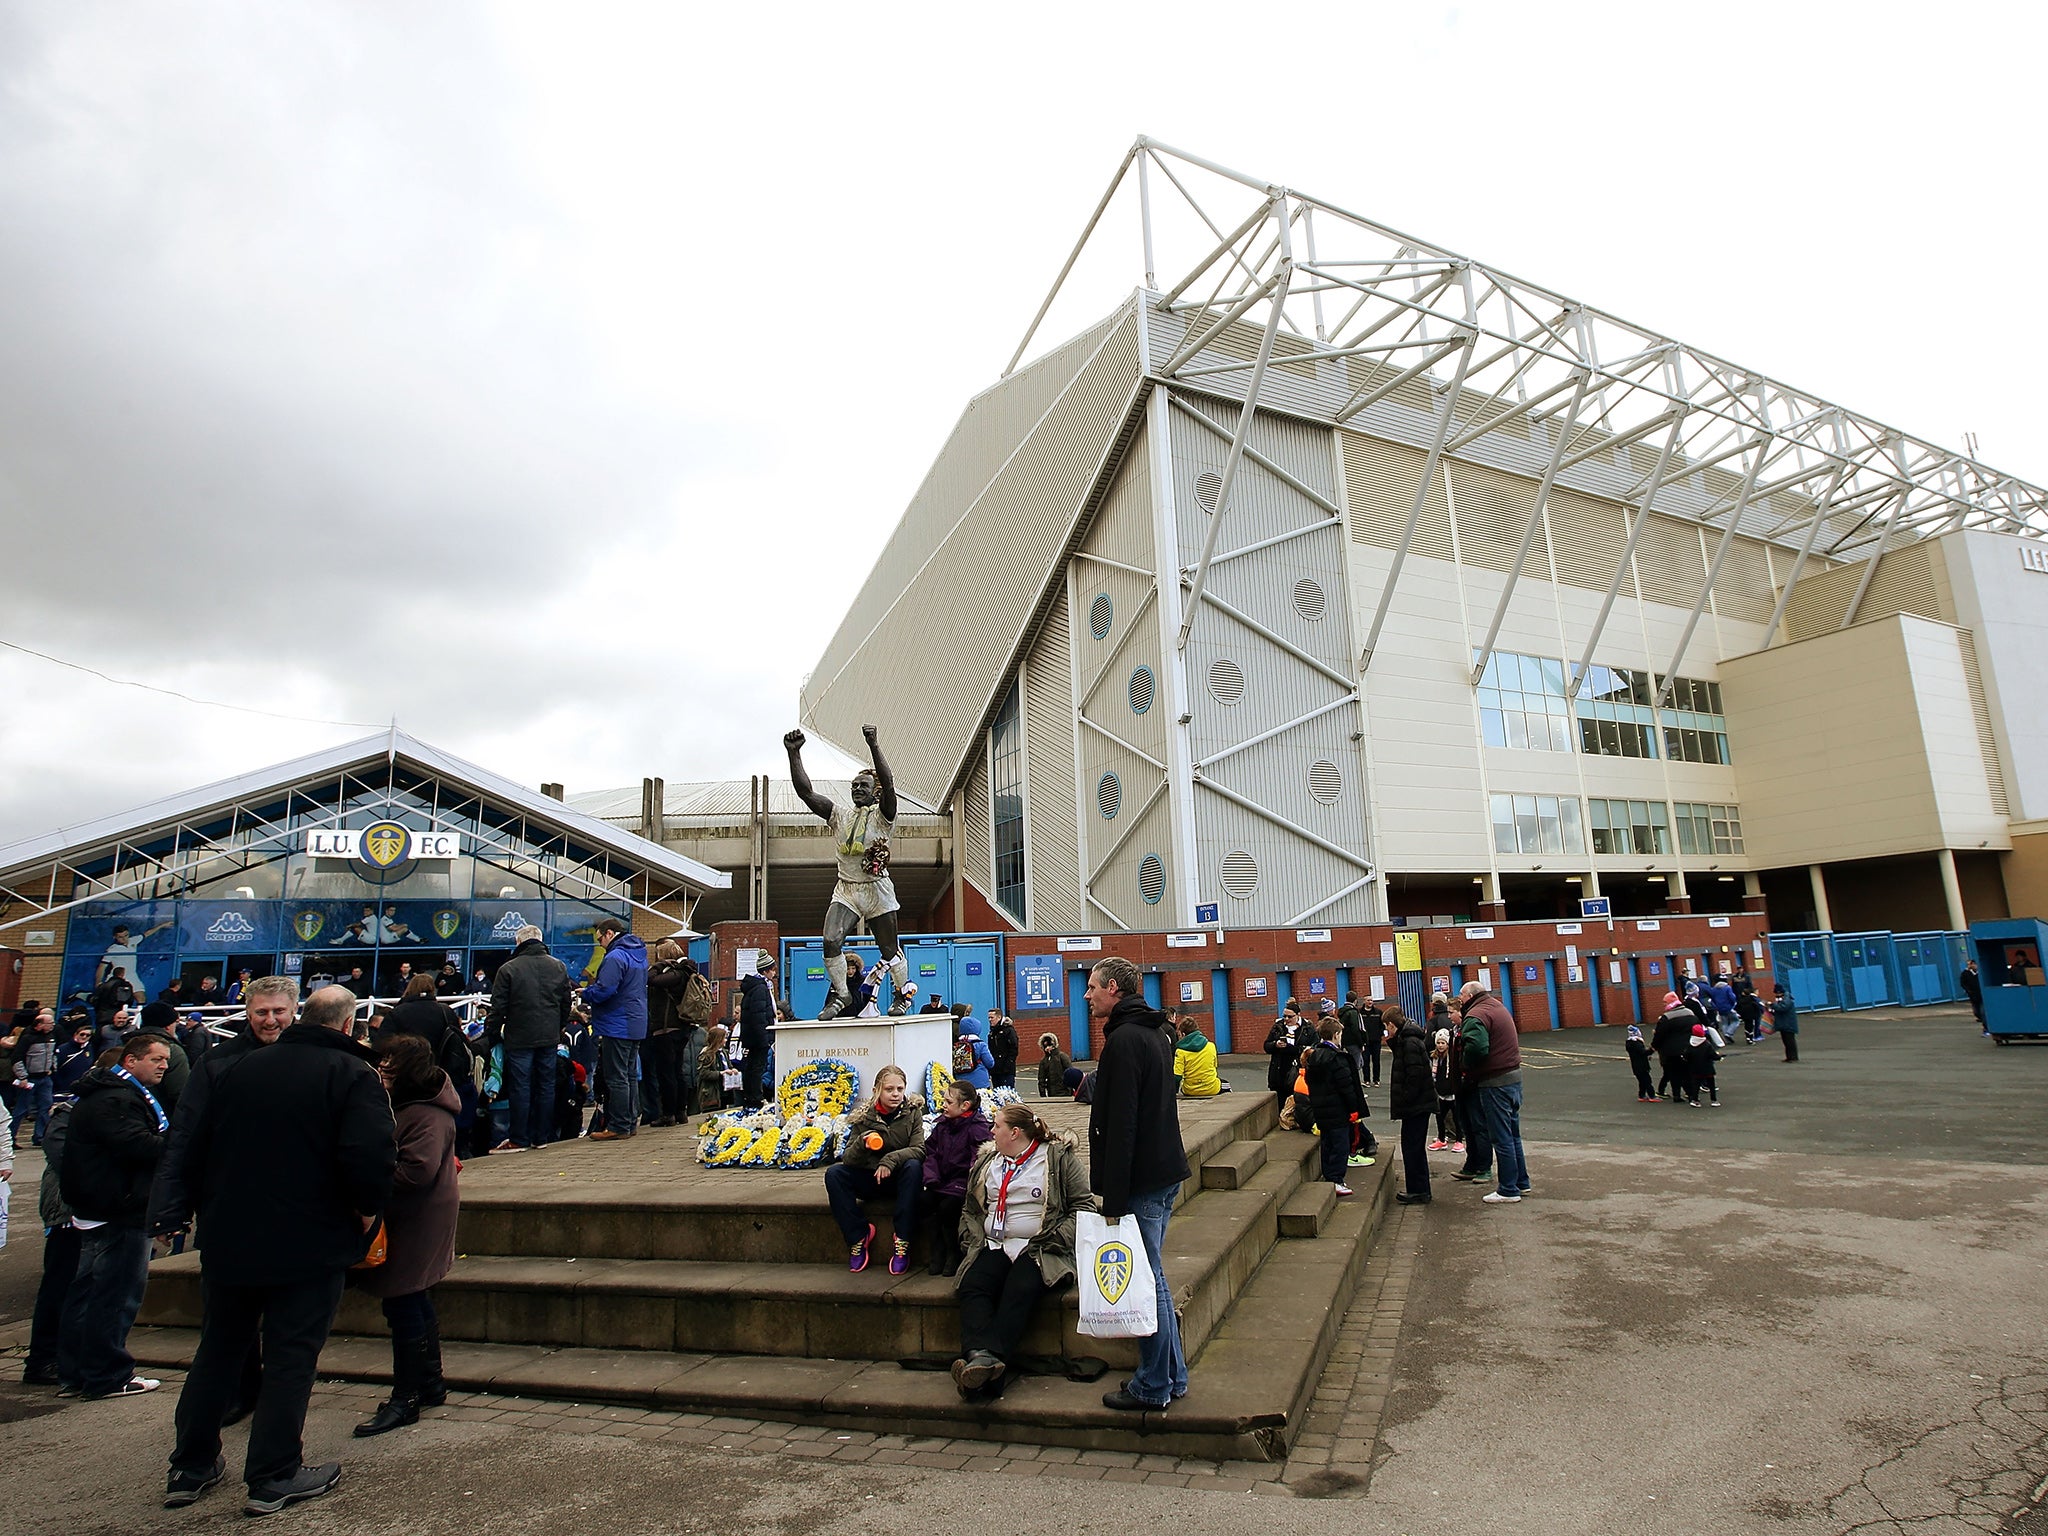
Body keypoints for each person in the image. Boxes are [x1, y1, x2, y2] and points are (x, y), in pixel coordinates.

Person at [164, 984, 395, 1517]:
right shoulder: (352, 1073)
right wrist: (366, 1210)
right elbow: (369, 1154)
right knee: (291, 1355)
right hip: (307, 1240)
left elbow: (193, 1144)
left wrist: (197, 1209)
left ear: (298, 1017)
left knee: (218, 1350)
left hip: (230, 1235)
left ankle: (191, 1465)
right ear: (346, 1025)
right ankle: (273, 1473)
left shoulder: (236, 1068)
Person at [1085, 956, 1191, 1413]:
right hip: (1163, 1169)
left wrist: (1114, 1195)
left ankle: (1152, 1385)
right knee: (1156, 1279)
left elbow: (1122, 1123)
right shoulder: (1154, 1032)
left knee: (1148, 1284)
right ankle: (1174, 1375)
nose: (1087, 995)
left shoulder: (1126, 1040)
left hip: (1144, 1179)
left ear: (1113, 988)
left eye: (1092, 987)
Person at [352, 1033, 460, 1437]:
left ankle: (407, 1396)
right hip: (416, 1214)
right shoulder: (416, 1107)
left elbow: (417, 1171)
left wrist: (365, 1176)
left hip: (417, 1217)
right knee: (413, 1297)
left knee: (405, 1302)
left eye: (389, 1070)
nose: (383, 1075)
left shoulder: (426, 1114)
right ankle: (429, 1383)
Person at [950, 1101, 1094, 1399]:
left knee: (1020, 1285)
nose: (991, 1131)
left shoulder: (1057, 1159)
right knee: (973, 1285)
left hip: (1043, 1246)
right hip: (994, 1243)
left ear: (1015, 1133)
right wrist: (971, 1238)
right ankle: (984, 1363)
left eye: (997, 1126)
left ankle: (980, 1366)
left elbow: (1084, 1207)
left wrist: (1056, 1238)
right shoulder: (988, 1162)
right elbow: (970, 1209)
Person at [58, 1032, 173, 1399]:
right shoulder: (118, 1099)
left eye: (166, 1060)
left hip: (100, 1207)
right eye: (156, 1059)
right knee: (115, 1294)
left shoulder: (109, 1095)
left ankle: (77, 1371)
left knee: (89, 1292)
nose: (164, 1066)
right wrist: (182, 1144)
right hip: (119, 1210)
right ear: (131, 1061)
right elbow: (139, 1145)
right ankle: (107, 1374)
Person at [784, 724, 917, 1018]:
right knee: (831, 940)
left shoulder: (884, 817)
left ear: (876, 792)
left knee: (888, 949)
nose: (857, 789)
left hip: (876, 889)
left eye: (863, 786)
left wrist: (873, 744)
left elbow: (890, 782)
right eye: (854, 786)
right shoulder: (839, 816)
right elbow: (806, 793)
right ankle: (842, 994)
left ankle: (901, 994)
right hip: (846, 889)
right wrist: (794, 754)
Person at [823, 1064, 924, 1275]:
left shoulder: (912, 1113)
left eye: (900, 1089)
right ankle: (858, 1236)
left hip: (899, 1180)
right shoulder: (863, 1116)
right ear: (877, 1089)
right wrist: (863, 1142)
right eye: (889, 1089)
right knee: (835, 1174)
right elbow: (848, 1158)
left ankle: (902, 1240)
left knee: (914, 1167)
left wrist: (890, 1160)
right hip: (870, 1179)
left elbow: (919, 1149)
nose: (895, 1094)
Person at [488, 924, 572, 1151]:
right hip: (549, 1035)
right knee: (546, 1085)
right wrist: (559, 1027)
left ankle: (519, 1138)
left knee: (520, 1087)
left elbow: (498, 1008)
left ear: (519, 942)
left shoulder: (508, 969)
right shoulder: (558, 966)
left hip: (520, 1036)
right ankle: (542, 1137)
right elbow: (566, 1002)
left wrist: (492, 1033)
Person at [1453, 980, 1527, 1205]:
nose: (1459, 1000)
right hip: (1513, 1078)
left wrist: (1466, 1067)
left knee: (1501, 1137)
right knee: (1513, 1135)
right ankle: (1521, 1182)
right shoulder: (1497, 1006)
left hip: (1494, 1083)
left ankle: (1508, 1189)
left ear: (1470, 996)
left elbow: (1476, 1048)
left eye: (1461, 996)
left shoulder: (1476, 1016)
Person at [24, 1090, 79, 1385]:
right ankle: (42, 1359)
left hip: (84, 1209)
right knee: (60, 1285)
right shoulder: (70, 1112)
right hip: (67, 1212)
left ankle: (59, 1355)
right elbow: (64, 1158)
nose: (163, 1065)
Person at [581, 917, 649, 1141]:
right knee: (629, 1075)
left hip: (617, 1023)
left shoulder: (615, 956)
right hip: (635, 1021)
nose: (600, 943)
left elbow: (605, 990)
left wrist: (585, 993)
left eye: (600, 938)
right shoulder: (638, 955)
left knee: (617, 1076)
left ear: (609, 934)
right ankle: (629, 1123)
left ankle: (618, 1125)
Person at [921, 1083, 993, 1277]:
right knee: (925, 1201)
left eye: (948, 1102)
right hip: (942, 1179)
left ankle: (954, 1251)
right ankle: (937, 1250)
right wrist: (932, 1177)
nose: (943, 1105)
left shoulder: (976, 1128)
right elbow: (931, 1153)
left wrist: (966, 1181)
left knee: (948, 1207)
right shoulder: (942, 1126)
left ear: (965, 1105)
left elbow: (977, 1161)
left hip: (962, 1182)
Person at [1302, 1016, 1366, 1197]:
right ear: (1336, 1035)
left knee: (1327, 1143)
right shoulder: (1338, 1059)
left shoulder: (1314, 1058)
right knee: (1340, 1145)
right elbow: (1347, 1087)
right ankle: (1336, 1179)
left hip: (1322, 1109)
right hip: (1338, 1110)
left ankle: (1329, 1175)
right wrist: (1354, 1109)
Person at [1386, 1006, 1434, 1206]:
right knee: (1413, 1147)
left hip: (1416, 1105)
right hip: (1418, 1104)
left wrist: (1406, 1098)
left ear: (1391, 1024)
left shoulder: (1409, 1043)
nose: (1386, 1032)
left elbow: (1414, 1075)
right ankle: (1418, 1188)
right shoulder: (1407, 1040)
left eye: (1387, 1027)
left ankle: (1419, 1190)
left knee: (1413, 1148)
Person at [10, 1007, 59, 1147]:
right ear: (40, 1024)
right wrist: (22, 1077)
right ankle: (11, 1138)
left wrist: (52, 1068)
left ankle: (40, 1137)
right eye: (50, 1023)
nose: (52, 1026)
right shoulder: (27, 1037)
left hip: (45, 1078)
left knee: (46, 1106)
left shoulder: (51, 1036)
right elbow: (17, 1058)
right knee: (21, 1109)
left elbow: (53, 1054)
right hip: (29, 1078)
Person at [737, 952, 777, 1109]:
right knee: (756, 1067)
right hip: (759, 1036)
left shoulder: (755, 987)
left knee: (752, 1066)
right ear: (765, 970)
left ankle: (751, 1096)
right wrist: (765, 1038)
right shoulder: (761, 988)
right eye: (772, 969)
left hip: (752, 1035)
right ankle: (755, 1097)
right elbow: (759, 1015)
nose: (774, 972)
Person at [1650, 992, 1695, 1102]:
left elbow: (1659, 1035)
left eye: (1665, 1002)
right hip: (1688, 1048)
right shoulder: (1690, 1013)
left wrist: (1653, 1047)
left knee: (1674, 1074)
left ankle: (1677, 1095)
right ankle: (1691, 1094)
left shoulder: (1667, 1018)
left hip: (1671, 1051)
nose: (1663, 1004)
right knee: (1687, 1072)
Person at [1172, 1019, 1224, 1097]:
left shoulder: (1180, 1051)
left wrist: (1175, 1093)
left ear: (1183, 1034)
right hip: (1211, 1088)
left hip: (1190, 1090)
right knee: (1226, 1085)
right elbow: (1214, 1066)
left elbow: (1177, 1076)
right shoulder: (1211, 1046)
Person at [1264, 1011, 1301, 1109]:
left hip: (1296, 1073)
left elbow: (1309, 1049)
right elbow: (1266, 1046)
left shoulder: (1306, 1028)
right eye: (1285, 1016)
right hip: (1278, 1073)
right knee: (1280, 1105)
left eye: (1290, 1016)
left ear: (1298, 1015)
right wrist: (1275, 1045)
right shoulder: (1278, 1027)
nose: (1287, 1019)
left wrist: (1289, 1047)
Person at [951, 1008, 994, 1091]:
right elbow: (990, 1063)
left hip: (961, 1082)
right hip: (980, 1082)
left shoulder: (956, 1045)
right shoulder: (981, 1045)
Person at [697, 1024, 733, 1111]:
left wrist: (732, 1070)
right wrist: (720, 1073)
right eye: (724, 1038)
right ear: (718, 1040)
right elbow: (703, 1073)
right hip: (712, 1093)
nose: (725, 1041)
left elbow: (729, 1066)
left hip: (724, 1090)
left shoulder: (724, 1053)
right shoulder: (707, 1055)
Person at [1686, 1022, 1721, 1106]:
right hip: (1707, 1068)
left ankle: (1695, 1100)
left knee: (1696, 1085)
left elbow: (1686, 1056)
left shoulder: (1690, 1044)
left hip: (1695, 1068)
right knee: (1711, 1085)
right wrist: (1719, 1056)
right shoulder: (1706, 1044)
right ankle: (1714, 1100)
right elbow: (1713, 1055)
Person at [1625, 1023, 1656, 1102]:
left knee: (1642, 1081)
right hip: (1642, 1065)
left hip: (1636, 1065)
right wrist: (1651, 1050)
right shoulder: (1636, 1043)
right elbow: (1643, 1052)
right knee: (1647, 1080)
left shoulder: (1629, 1042)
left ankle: (1641, 1095)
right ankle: (1652, 1096)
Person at [988, 1013, 1019, 1090]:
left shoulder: (1009, 1030)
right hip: (995, 1070)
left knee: (1008, 1093)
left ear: (999, 1017)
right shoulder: (992, 1032)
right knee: (997, 1092)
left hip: (1006, 1070)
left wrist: (1009, 1063)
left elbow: (1014, 1048)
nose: (990, 1020)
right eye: (989, 1017)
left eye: (992, 1017)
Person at [1036, 1032, 1071, 1099]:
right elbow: (1041, 1080)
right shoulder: (1044, 1061)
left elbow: (1070, 1073)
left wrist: (1070, 1089)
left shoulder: (1062, 1057)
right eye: (1045, 1046)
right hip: (1052, 1093)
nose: (1047, 1048)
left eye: (1050, 1045)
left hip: (1065, 1092)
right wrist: (1043, 1095)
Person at [1770, 984, 1800, 1061]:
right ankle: (1789, 1057)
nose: (1776, 995)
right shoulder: (1784, 998)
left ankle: (1793, 1057)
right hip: (1785, 1023)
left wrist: (1773, 1005)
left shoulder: (1787, 999)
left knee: (1789, 1041)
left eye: (1777, 993)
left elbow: (1783, 1008)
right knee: (1786, 1041)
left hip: (1788, 1023)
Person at [1959, 959, 1984, 1033]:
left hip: (1980, 992)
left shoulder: (1979, 972)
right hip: (1972, 993)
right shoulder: (1965, 973)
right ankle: (1978, 1016)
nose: (1971, 965)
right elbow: (1963, 983)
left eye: (1972, 964)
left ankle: (1982, 1017)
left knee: (1982, 1006)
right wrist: (1968, 990)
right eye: (1969, 964)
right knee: (1975, 1006)